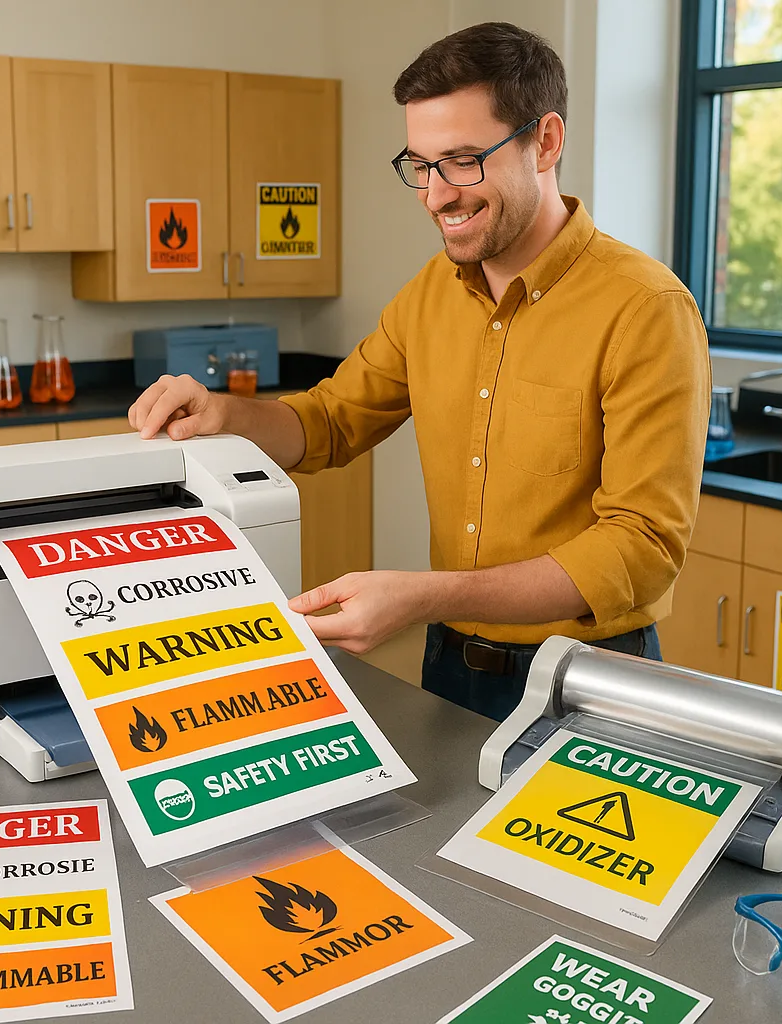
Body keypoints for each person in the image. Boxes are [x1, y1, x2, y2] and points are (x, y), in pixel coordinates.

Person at [129, 22, 711, 723]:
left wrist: (425, 595)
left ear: (545, 141)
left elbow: (642, 549)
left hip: (590, 682)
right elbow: (330, 421)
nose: (436, 196)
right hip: (451, 666)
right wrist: (225, 414)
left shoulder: (646, 309)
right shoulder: (431, 293)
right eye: (421, 165)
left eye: (462, 161)